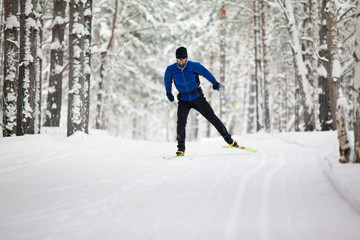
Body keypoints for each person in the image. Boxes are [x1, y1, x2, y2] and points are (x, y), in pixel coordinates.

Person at [164, 46, 239, 156]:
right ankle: (180, 149)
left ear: (186, 58)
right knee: (181, 123)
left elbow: (206, 73)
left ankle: (229, 140)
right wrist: (168, 93)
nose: (181, 62)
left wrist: (214, 82)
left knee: (212, 117)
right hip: (183, 100)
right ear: (176, 59)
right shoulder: (170, 70)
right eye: (178, 60)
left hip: (197, 97)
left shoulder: (194, 66)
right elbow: (167, 81)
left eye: (183, 60)